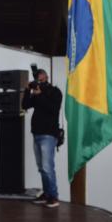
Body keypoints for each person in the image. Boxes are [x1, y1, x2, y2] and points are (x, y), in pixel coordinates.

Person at [21, 68, 63, 208]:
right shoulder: (37, 92)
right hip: (37, 133)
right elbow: (25, 105)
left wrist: (40, 95)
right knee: (41, 167)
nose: (40, 82)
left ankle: (54, 196)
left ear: (47, 77)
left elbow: (52, 109)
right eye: (38, 80)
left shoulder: (55, 92)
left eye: (42, 79)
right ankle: (47, 194)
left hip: (49, 134)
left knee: (47, 167)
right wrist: (28, 90)